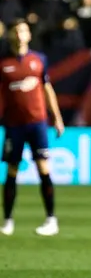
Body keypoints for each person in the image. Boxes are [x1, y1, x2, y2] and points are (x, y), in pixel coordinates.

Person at [0, 19, 65, 236]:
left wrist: (56, 117)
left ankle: (51, 220)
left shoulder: (39, 60)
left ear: (28, 35)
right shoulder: (3, 63)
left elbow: (47, 89)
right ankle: (7, 221)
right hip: (13, 125)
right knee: (11, 171)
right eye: (16, 31)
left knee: (43, 169)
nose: (19, 35)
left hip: (37, 123)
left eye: (23, 31)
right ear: (10, 35)